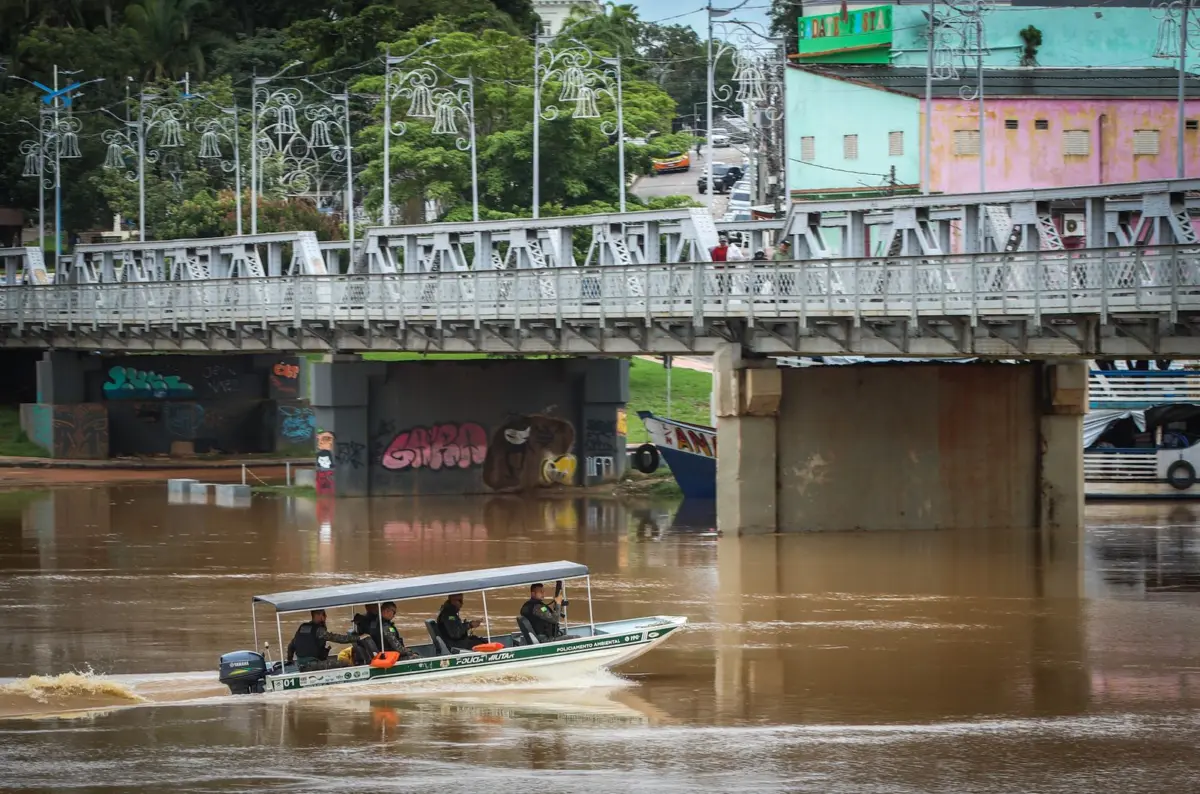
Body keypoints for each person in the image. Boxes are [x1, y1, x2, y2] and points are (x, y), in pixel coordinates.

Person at [286, 609, 356, 671]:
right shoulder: (319, 630)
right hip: (312, 665)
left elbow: (290, 646)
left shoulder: (303, 627)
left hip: (300, 665)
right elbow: (337, 638)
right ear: (319, 615)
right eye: (324, 615)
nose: (325, 617)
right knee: (344, 663)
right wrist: (355, 638)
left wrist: (290, 660)